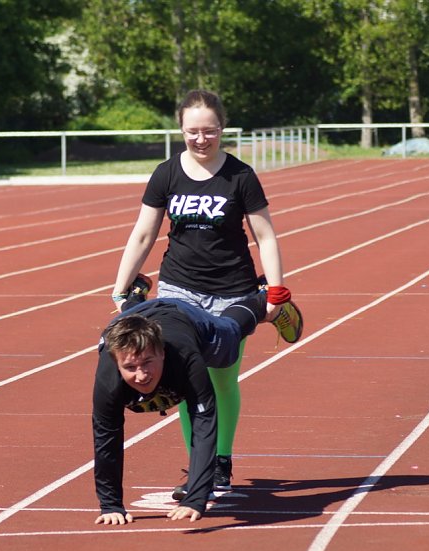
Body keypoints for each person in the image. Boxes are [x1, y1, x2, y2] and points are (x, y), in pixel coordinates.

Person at [109, 89, 302, 496]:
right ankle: (202, 465)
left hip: (233, 292)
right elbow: (144, 232)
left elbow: (264, 234)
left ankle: (223, 458)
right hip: (180, 289)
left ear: (222, 129)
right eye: (192, 132)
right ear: (181, 129)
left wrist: (277, 290)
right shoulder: (166, 173)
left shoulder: (240, 175)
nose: (201, 139)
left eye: (209, 131)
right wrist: (121, 285)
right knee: (184, 378)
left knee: (222, 377)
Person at [93, 284, 268, 525]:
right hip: (135, 318)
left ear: (162, 353)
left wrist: (196, 499)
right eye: (130, 368)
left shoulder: (186, 359)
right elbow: (106, 439)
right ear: (116, 363)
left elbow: (204, 425)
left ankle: (259, 297)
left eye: (147, 363)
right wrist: (110, 504)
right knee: (135, 326)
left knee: (230, 332)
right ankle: (135, 299)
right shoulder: (108, 378)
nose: (141, 375)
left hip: (185, 316)